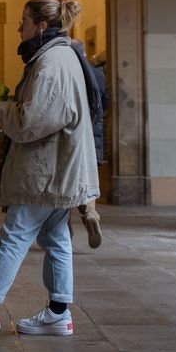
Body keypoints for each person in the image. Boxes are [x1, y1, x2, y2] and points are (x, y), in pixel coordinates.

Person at [0, 0, 100, 344]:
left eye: (23, 21)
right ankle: (59, 314)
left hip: (46, 172)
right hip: (59, 170)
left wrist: (2, 108)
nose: (18, 27)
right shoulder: (57, 56)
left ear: (41, 26)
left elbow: (30, 122)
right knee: (56, 237)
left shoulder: (52, 63)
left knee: (14, 236)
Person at [70, 39, 108, 249]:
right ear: (85, 54)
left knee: (64, 183)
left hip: (72, 133)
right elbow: (106, 103)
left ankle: (65, 230)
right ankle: (90, 214)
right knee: (87, 178)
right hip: (94, 134)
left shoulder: (69, 72)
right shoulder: (99, 74)